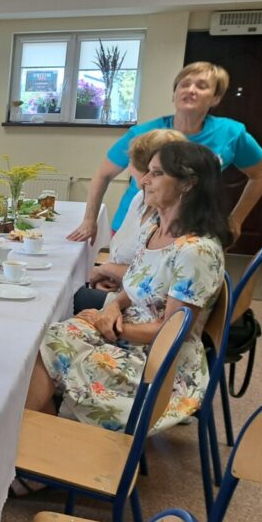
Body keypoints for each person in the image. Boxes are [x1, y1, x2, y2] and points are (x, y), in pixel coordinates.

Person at [28, 142, 229, 433]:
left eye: (156, 174)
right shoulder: (156, 229)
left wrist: (102, 325)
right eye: (147, 172)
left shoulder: (195, 251)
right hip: (131, 336)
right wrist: (111, 306)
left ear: (188, 184)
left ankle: (38, 448)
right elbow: (133, 287)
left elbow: (171, 332)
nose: (145, 180)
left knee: (55, 344)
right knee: (49, 335)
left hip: (160, 366)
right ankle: (41, 443)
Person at [68, 61, 262, 244]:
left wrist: (236, 219)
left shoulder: (231, 133)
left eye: (201, 86)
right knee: (125, 280)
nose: (190, 90)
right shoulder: (143, 133)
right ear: (174, 94)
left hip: (194, 228)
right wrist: (89, 220)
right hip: (135, 223)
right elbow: (103, 175)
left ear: (216, 98)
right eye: (184, 84)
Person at [73, 129, 186, 313]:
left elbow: (156, 279)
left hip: (144, 308)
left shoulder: (170, 220)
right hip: (124, 290)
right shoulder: (140, 200)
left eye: (155, 172)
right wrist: (108, 275)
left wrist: (105, 270)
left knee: (67, 298)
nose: (129, 168)